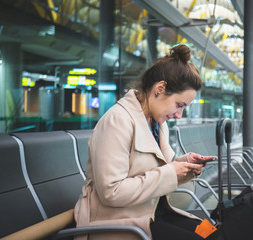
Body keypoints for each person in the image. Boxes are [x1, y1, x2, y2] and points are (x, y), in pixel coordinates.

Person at [74, 44, 220, 240]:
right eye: (179, 105)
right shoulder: (117, 121)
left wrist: (184, 165)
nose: (179, 114)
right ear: (160, 89)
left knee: (212, 233)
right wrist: (171, 172)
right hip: (118, 223)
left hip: (151, 214)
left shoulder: (157, 123)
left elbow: (156, 171)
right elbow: (111, 192)